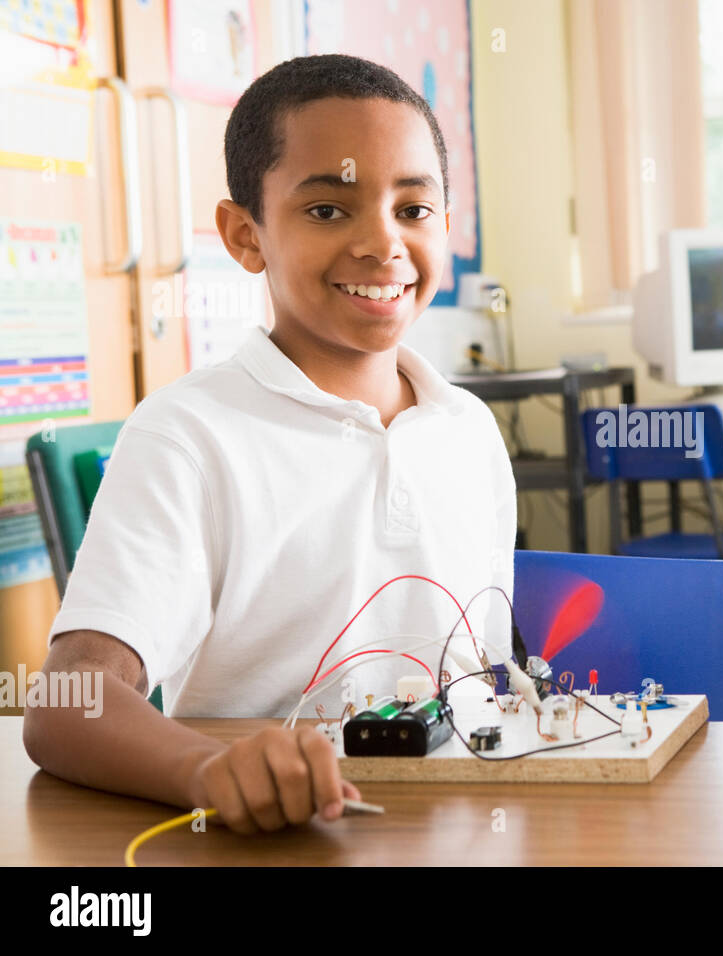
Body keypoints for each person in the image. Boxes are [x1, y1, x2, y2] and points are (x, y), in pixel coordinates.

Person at [23, 55, 517, 833]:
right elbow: (64, 702)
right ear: (244, 235)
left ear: (447, 225)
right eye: (327, 211)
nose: (382, 245)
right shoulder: (188, 436)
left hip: (453, 828)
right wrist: (206, 769)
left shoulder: (469, 432)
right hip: (272, 841)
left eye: (414, 209)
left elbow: (480, 682)